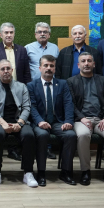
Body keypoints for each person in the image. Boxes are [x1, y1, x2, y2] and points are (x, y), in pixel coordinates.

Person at [66, 52, 104, 186]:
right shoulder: (71, 81)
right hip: (80, 120)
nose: (86, 63)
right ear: (78, 65)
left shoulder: (103, 80)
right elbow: (70, 104)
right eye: (83, 61)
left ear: (94, 64)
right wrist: (81, 118)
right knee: (83, 135)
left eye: (89, 61)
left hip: (100, 119)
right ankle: (85, 171)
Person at [27, 55, 77, 186]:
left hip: (57, 121)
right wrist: (39, 121)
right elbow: (31, 106)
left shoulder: (62, 84)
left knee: (70, 135)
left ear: (55, 68)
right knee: (42, 135)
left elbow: (68, 103)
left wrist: (68, 121)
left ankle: (66, 172)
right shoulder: (31, 85)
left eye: (51, 66)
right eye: (46, 65)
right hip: (39, 122)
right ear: (40, 68)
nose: (48, 68)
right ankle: (41, 172)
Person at [0, 59, 36, 188]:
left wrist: (19, 123)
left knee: (29, 135)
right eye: (3, 69)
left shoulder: (22, 87)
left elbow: (27, 107)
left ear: (12, 70)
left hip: (18, 121)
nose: (6, 71)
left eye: (8, 68)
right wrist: (3, 123)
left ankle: (28, 173)